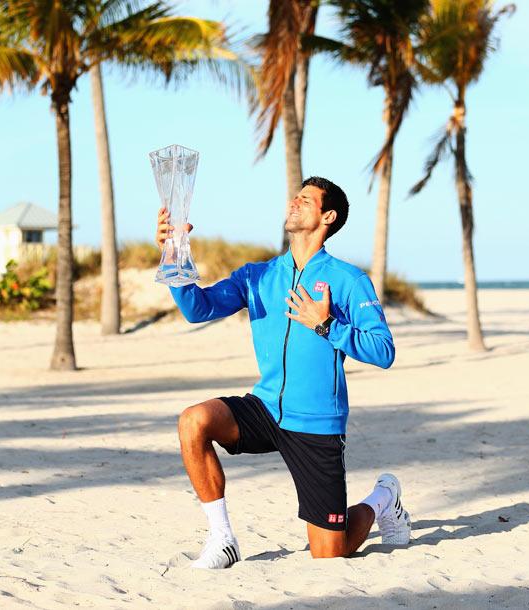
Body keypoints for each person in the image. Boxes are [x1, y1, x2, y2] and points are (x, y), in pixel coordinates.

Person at [155, 176, 411, 569]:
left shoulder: (348, 280)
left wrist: (326, 325)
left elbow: (383, 350)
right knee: (194, 421)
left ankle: (382, 499)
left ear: (328, 216)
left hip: (316, 422)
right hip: (266, 408)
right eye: (295, 196)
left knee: (331, 551)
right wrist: (173, 255)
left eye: (306, 200)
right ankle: (222, 538)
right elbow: (197, 309)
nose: (294, 202)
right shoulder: (257, 276)